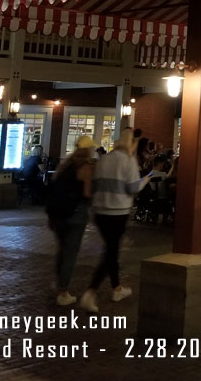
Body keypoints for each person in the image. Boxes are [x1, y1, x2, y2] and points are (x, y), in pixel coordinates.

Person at [79, 129, 153, 313]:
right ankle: (90, 292)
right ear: (131, 145)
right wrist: (146, 179)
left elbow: (95, 185)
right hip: (117, 211)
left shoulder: (105, 159)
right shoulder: (128, 160)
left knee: (111, 249)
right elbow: (132, 188)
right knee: (110, 252)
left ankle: (117, 288)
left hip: (100, 211)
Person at [47, 135, 96, 306]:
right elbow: (87, 193)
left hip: (58, 214)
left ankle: (58, 282)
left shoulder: (65, 165)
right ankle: (63, 291)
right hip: (76, 213)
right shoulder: (86, 166)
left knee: (62, 248)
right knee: (71, 252)